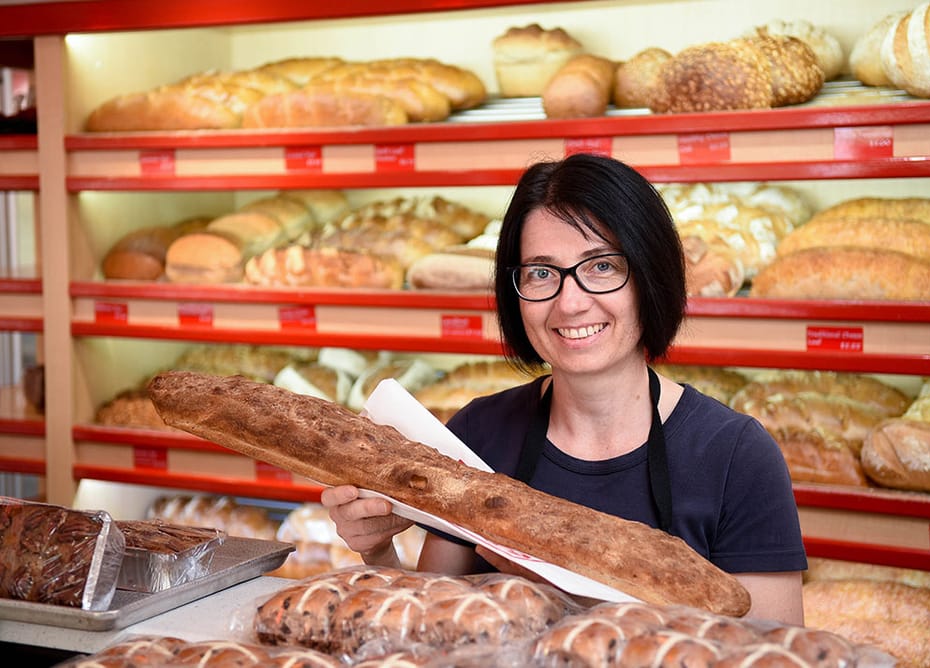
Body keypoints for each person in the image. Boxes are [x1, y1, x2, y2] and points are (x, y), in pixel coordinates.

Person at [322, 153, 807, 625]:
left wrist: (574, 599)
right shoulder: (477, 434)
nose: (570, 303)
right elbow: (428, 628)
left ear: (650, 277)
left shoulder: (736, 457)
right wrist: (378, 549)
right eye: (541, 273)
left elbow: (774, 655)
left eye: (601, 267)